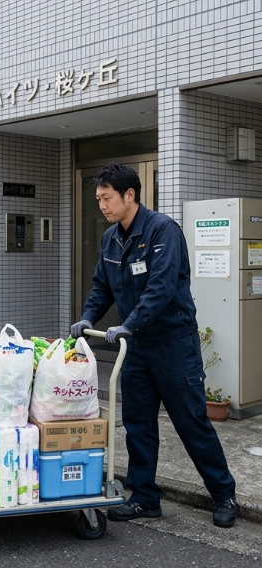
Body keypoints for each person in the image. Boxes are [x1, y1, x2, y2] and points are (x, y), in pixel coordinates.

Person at [71, 162, 237, 528]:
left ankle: (224, 493)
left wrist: (128, 324)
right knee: (138, 423)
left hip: (173, 343)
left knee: (191, 421)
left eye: (106, 197)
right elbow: (102, 286)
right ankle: (144, 497)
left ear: (130, 195)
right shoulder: (111, 238)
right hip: (137, 346)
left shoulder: (163, 230)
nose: (101, 204)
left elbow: (160, 288)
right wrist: (88, 318)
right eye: (98, 198)